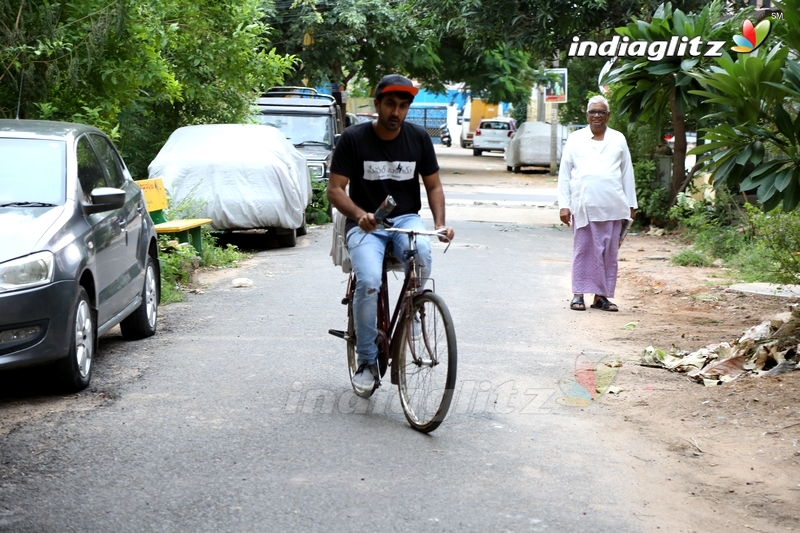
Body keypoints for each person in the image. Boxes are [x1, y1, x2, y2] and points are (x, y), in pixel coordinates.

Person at [327, 74, 455, 395]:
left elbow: (434, 185)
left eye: (402, 106)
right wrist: (359, 215)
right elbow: (335, 190)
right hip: (364, 225)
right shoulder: (354, 139)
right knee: (369, 280)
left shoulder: (419, 139)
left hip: (405, 219)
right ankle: (367, 362)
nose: (396, 112)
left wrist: (439, 224)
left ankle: (413, 314)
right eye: (390, 105)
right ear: (377, 104)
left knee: (423, 255)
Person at [557, 95, 637, 312]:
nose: (597, 116)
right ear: (587, 115)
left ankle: (601, 297)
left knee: (608, 254)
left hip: (613, 206)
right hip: (584, 206)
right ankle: (578, 295)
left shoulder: (618, 139)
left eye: (601, 112)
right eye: (593, 112)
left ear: (608, 115)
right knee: (583, 251)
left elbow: (626, 172)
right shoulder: (575, 138)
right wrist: (564, 204)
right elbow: (565, 173)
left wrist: (631, 204)